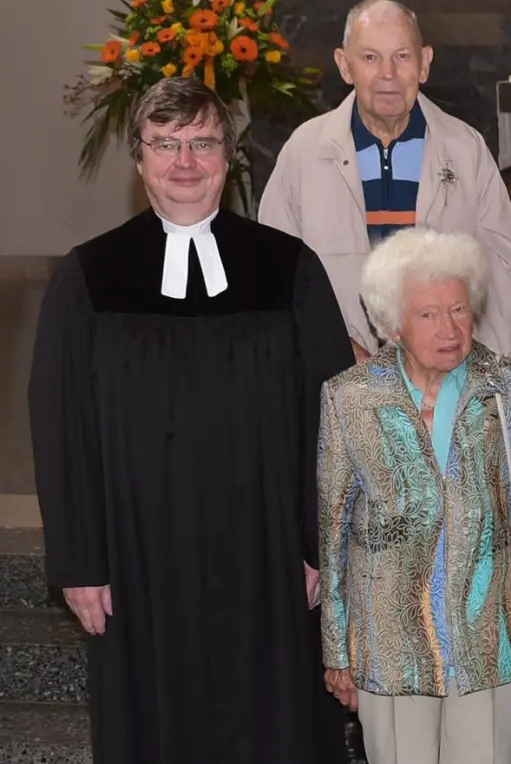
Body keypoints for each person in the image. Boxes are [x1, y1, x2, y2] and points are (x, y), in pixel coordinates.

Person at [28, 77, 352, 764]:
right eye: (166, 144)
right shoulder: (89, 278)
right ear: (139, 158)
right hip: (136, 555)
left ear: (228, 157)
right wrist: (79, 562)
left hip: (268, 553)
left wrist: (319, 545)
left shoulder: (288, 270)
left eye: (202, 143)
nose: (185, 161)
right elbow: (61, 427)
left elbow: (333, 417)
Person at [318, 228, 511, 764]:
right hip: (391, 641)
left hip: (489, 633)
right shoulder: (350, 396)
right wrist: (338, 648)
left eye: (459, 309)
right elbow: (334, 528)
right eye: (428, 314)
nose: (449, 328)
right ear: (392, 324)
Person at [261, 0, 511, 363]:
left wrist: (488, 374)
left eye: (402, 56)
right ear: (345, 65)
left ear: (425, 63)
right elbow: (276, 273)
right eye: (370, 57)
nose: (387, 73)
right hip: (336, 370)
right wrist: (333, 347)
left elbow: (505, 274)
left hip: (451, 370)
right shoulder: (304, 152)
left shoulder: (465, 149)